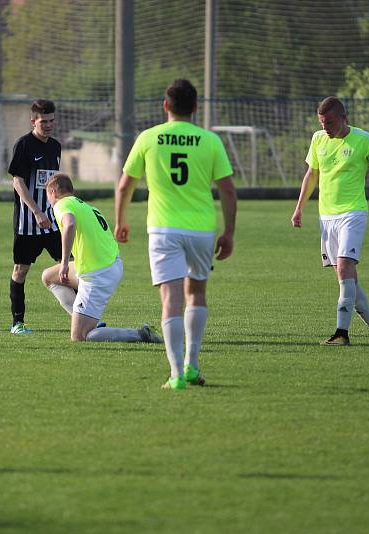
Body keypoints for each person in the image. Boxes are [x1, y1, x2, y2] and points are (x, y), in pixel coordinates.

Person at [115, 79, 238, 390]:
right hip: (200, 230)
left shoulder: (148, 138)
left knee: (170, 300)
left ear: (165, 105)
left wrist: (121, 221)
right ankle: (192, 365)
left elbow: (124, 186)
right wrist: (229, 233)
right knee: (196, 294)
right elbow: (227, 191)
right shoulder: (210, 141)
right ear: (195, 108)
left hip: (163, 229)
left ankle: (175, 374)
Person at [291, 96, 369, 346]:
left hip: (353, 213)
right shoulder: (317, 139)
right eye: (321, 122)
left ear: (343, 118)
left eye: (328, 122)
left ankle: (341, 333)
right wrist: (298, 209)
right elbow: (311, 175)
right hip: (327, 217)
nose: (324, 127)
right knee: (347, 279)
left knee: (346, 268)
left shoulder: (364, 139)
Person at [41, 173, 163, 343]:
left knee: (80, 337)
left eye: (47, 194)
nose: (48, 199)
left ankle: (141, 334)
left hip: (97, 275)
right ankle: (83, 317)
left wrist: (64, 263)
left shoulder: (62, 204)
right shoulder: (85, 206)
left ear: (53, 191)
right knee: (48, 277)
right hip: (110, 264)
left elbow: (69, 224)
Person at [6, 99, 62, 334]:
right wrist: (36, 211)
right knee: (21, 270)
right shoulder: (24, 145)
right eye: (43, 121)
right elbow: (17, 181)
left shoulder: (56, 146)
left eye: (51, 121)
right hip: (28, 223)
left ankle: (85, 317)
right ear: (33, 121)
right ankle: (17, 323)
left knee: (71, 266)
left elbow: (54, 182)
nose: (48, 125)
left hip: (52, 222)